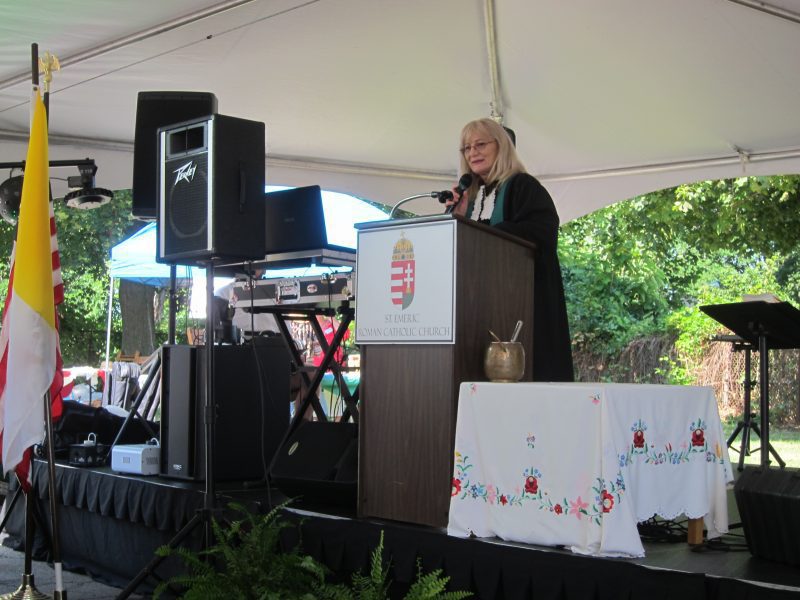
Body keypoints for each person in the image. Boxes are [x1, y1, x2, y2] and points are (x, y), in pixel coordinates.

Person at [446, 117, 574, 382]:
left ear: (501, 146)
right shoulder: (471, 197)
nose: (472, 152)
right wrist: (458, 218)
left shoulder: (523, 186)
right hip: (475, 308)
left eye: (480, 144)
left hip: (521, 307)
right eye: (467, 148)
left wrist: (488, 231)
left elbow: (542, 233)